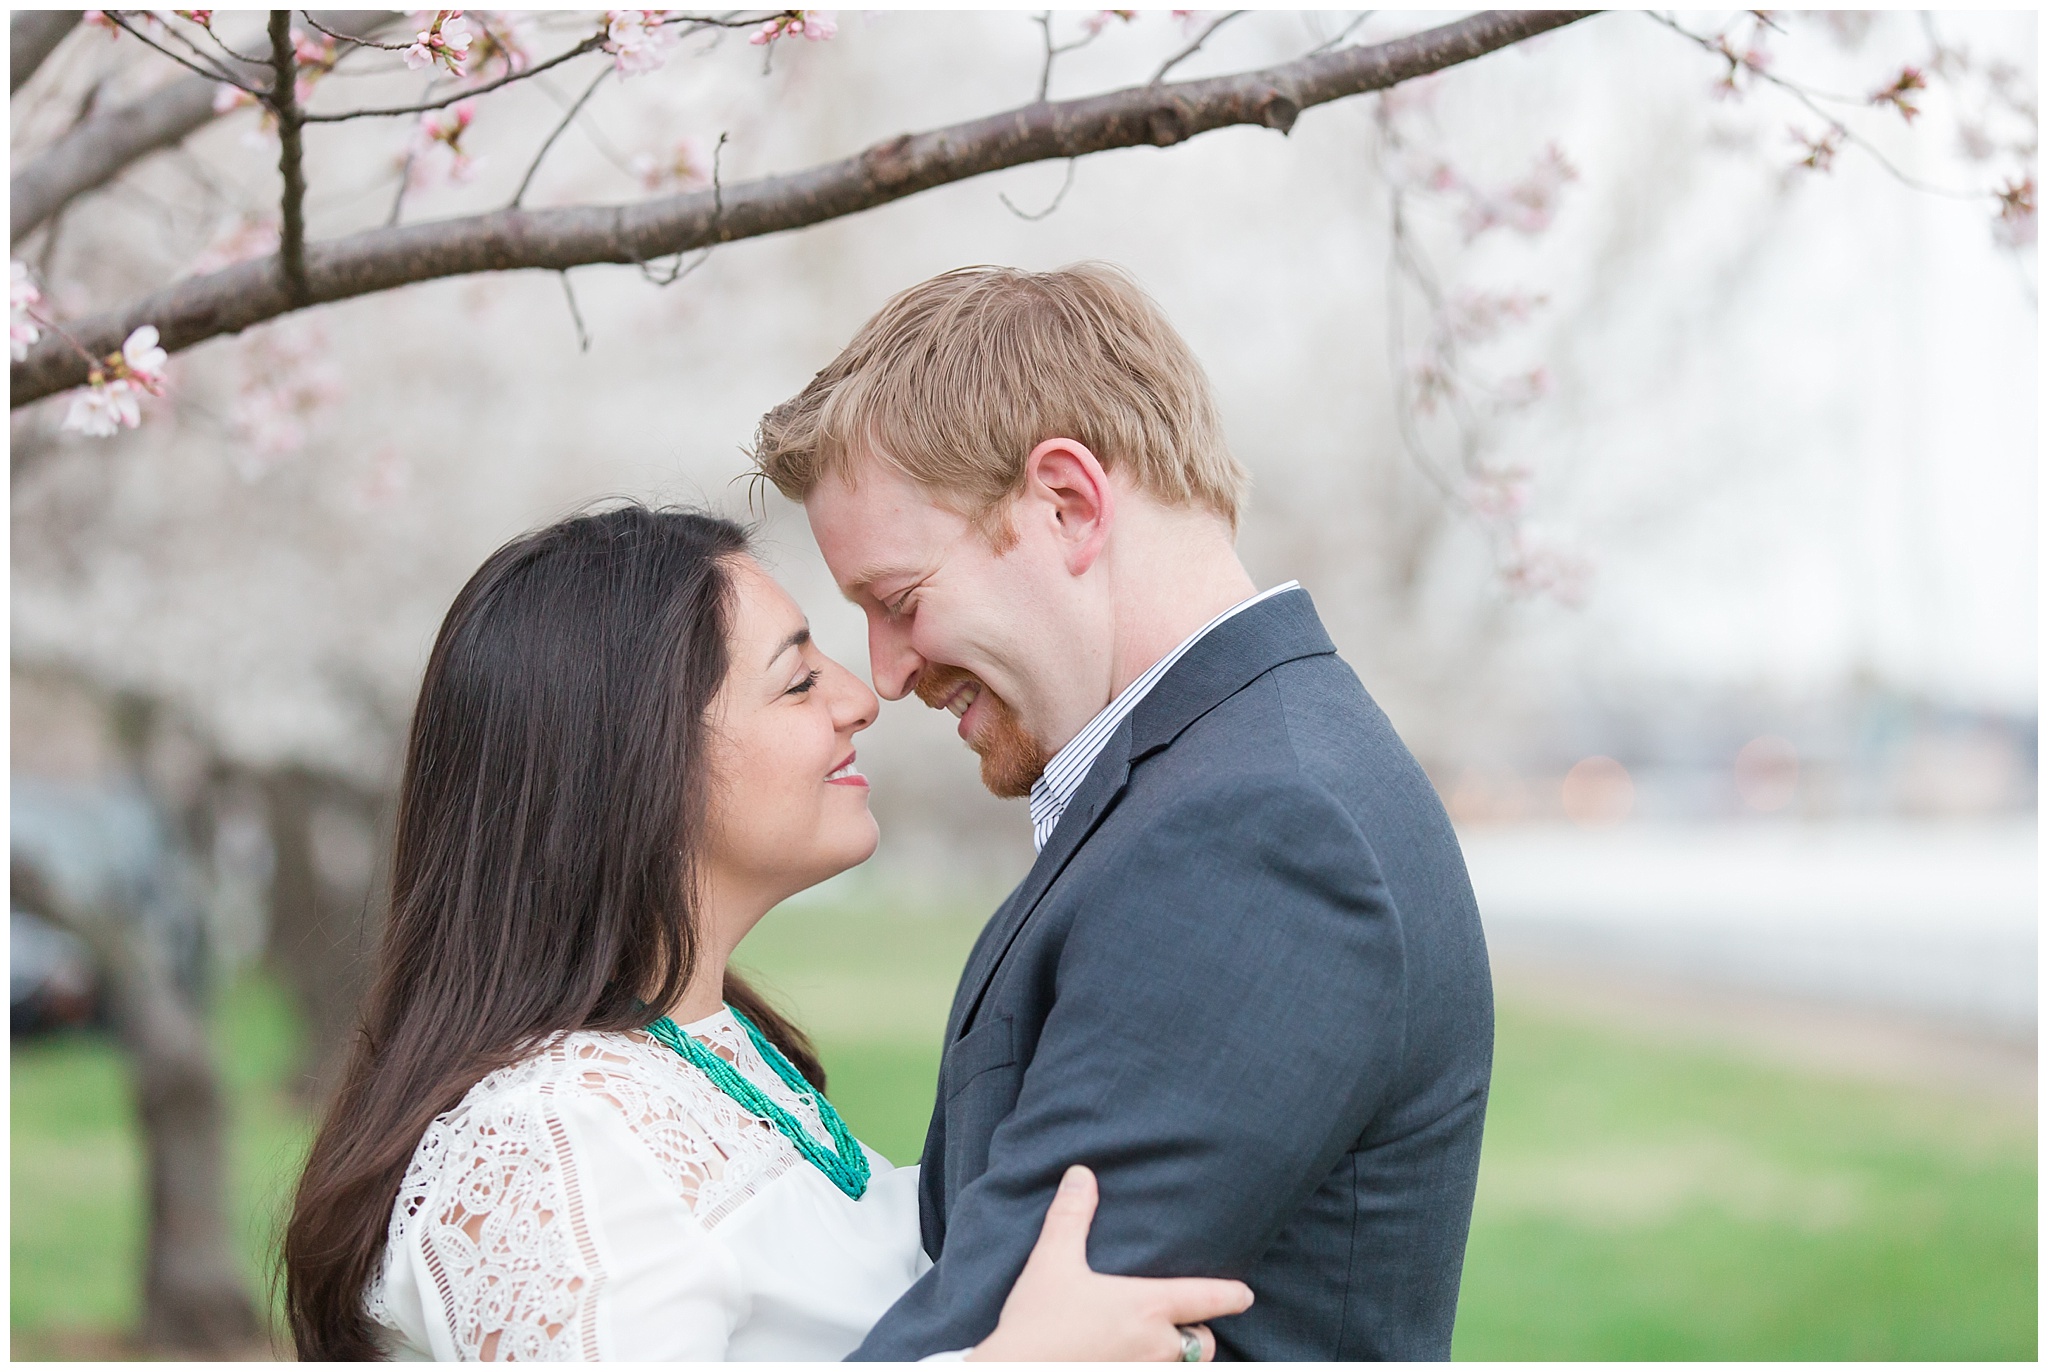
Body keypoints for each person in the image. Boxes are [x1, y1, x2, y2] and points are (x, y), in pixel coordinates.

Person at [281, 506, 1252, 1360]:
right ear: (637, 760)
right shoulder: (546, 1139)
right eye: (796, 683)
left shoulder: (712, 1056)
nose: (860, 697)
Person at [752, 263, 1495, 1361]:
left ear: (1067, 504)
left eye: (898, 601)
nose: (888, 672)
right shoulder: (1228, 781)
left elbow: (994, 1327)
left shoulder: (1255, 837)